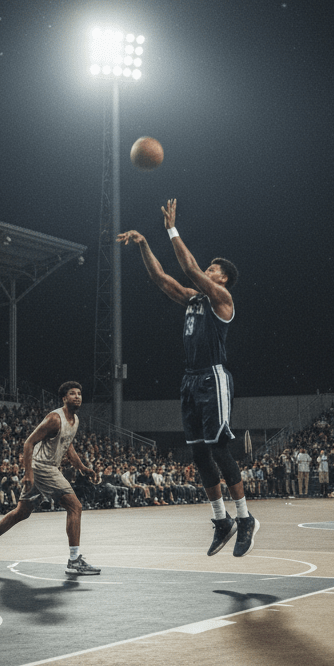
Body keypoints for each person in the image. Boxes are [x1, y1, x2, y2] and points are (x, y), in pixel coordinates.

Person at [118, 198, 258, 557]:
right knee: (198, 455)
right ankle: (221, 519)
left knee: (219, 449)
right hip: (190, 380)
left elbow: (191, 268)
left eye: (213, 268)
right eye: (209, 268)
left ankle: (245, 518)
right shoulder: (194, 299)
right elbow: (161, 279)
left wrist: (171, 229)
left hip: (213, 377)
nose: (207, 271)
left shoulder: (222, 299)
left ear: (222, 277)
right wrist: (145, 244)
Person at [0, 381, 101, 575]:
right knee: (75, 507)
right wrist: (28, 473)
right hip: (42, 468)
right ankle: (74, 560)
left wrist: (82, 467)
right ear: (64, 398)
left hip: (46, 468)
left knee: (22, 512)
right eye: (72, 394)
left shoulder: (75, 420)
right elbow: (28, 443)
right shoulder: (55, 418)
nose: (77, 396)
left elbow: (68, 445)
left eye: (79, 394)